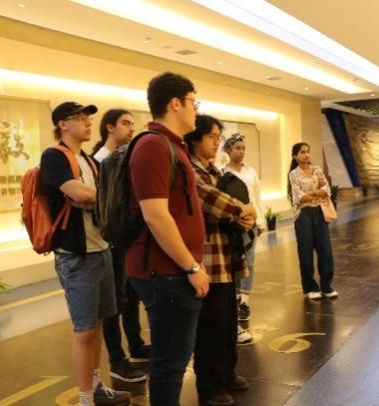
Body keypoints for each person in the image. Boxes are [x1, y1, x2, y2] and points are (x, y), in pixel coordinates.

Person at [126, 72, 210, 405]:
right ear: (175, 103)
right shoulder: (153, 146)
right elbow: (156, 216)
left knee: (174, 359)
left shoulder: (171, 145)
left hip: (172, 269)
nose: (195, 110)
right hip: (165, 271)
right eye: (193, 102)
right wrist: (191, 266)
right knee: (169, 364)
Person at [40, 101, 130, 405]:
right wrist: (90, 196)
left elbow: (108, 198)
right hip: (76, 256)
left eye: (88, 117)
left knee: (99, 325)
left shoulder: (90, 161)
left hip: (102, 251)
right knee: (84, 331)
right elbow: (79, 193)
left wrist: (92, 197)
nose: (88, 122)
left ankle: (96, 386)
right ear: (62, 124)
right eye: (79, 118)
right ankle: (85, 399)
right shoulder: (54, 157)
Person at [186, 115, 257, 406]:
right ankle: (210, 386)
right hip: (208, 261)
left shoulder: (214, 170)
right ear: (195, 139)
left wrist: (244, 213)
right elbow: (219, 203)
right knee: (211, 328)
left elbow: (238, 209)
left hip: (226, 258)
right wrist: (243, 210)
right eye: (211, 137)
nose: (217, 142)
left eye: (218, 137)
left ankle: (227, 373)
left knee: (228, 322)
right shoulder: (191, 172)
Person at [93, 109, 149, 382]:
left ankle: (136, 345)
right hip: (108, 241)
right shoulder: (99, 161)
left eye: (132, 124)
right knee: (113, 301)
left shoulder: (127, 157)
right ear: (110, 127)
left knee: (130, 294)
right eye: (125, 123)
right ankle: (117, 359)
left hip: (127, 238)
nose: (131, 129)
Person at [222, 133, 265, 323]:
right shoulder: (222, 172)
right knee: (234, 262)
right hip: (233, 225)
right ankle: (235, 297)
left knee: (249, 262)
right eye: (237, 148)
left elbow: (257, 197)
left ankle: (245, 302)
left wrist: (261, 222)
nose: (241, 151)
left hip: (251, 223)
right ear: (229, 150)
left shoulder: (251, 171)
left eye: (243, 148)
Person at [287, 142, 338, 300]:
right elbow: (299, 197)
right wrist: (317, 193)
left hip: (320, 212)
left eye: (307, 151)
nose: (306, 155)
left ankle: (326, 286)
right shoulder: (293, 174)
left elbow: (326, 190)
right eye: (302, 152)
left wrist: (312, 193)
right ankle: (310, 287)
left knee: (325, 250)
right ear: (295, 156)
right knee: (306, 251)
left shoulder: (317, 170)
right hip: (303, 215)